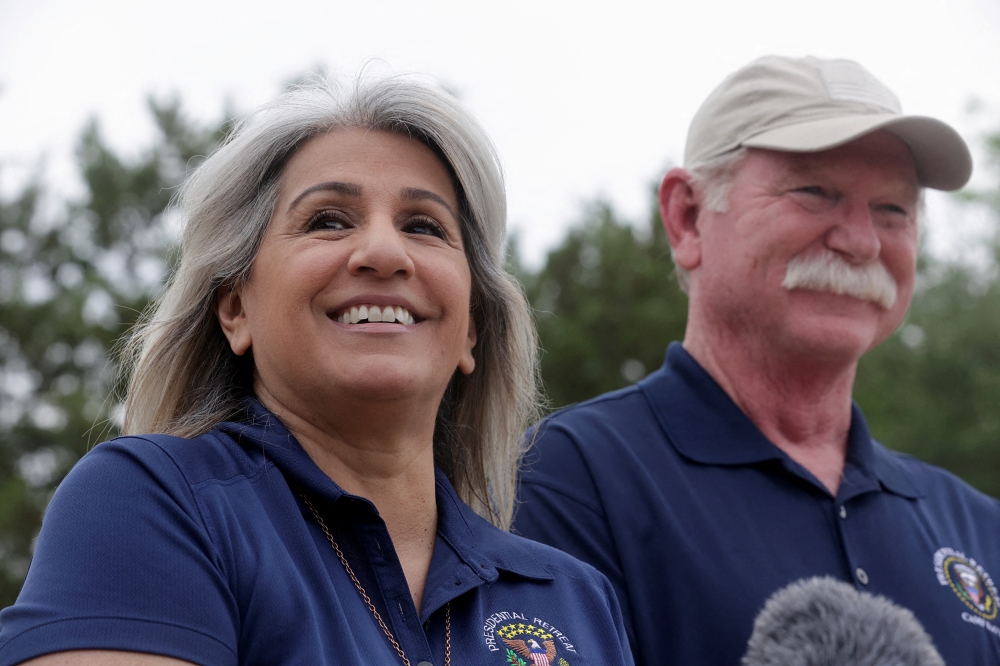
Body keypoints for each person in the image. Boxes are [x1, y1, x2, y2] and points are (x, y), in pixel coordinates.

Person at [0, 76, 633, 666]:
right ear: (235, 308)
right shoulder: (148, 504)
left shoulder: (575, 598)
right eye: (327, 220)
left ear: (470, 329)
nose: (385, 252)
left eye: (424, 225)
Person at [514, 55, 1000, 665]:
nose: (861, 240)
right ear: (686, 216)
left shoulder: (978, 528)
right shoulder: (567, 481)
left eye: (894, 209)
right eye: (816, 192)